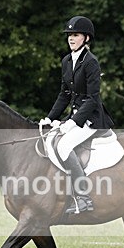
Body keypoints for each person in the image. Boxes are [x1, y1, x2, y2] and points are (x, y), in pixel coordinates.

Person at [39, 16, 114, 214]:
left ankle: (83, 198)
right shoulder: (66, 61)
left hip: (92, 118)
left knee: (63, 145)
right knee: (51, 140)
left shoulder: (91, 63)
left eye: (76, 35)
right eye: (69, 35)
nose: (71, 39)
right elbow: (64, 95)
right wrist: (51, 117)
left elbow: (92, 98)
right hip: (76, 115)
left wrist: (72, 122)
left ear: (86, 38)